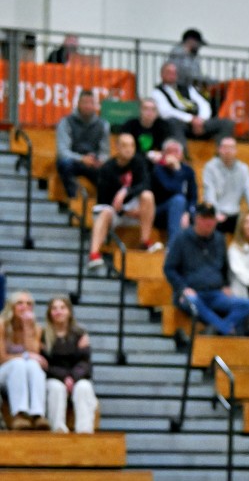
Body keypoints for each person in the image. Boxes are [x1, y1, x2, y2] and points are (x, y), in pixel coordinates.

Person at [163, 203, 249, 337]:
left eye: (211, 219)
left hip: (215, 293)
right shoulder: (182, 238)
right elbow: (169, 268)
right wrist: (182, 288)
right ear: (197, 219)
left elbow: (224, 267)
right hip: (192, 292)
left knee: (246, 304)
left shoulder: (219, 239)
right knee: (193, 302)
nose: (208, 222)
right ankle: (225, 329)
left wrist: (225, 285)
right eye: (204, 218)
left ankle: (216, 329)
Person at [88, 133, 157, 270]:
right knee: (106, 212)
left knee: (148, 196)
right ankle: (94, 254)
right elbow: (103, 202)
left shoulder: (138, 162)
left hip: (131, 208)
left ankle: (145, 242)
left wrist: (125, 192)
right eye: (125, 145)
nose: (129, 149)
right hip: (113, 211)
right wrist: (123, 211)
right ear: (117, 147)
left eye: (132, 145)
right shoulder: (107, 169)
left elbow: (145, 184)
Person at [42, 296, 96, 434]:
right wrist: (64, 377)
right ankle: (58, 429)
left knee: (84, 387)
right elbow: (45, 364)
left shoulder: (80, 334)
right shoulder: (43, 335)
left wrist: (72, 377)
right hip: (53, 377)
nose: (58, 311)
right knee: (56, 388)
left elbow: (85, 363)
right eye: (54, 308)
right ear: (49, 313)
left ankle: (84, 431)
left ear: (69, 312)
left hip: (76, 377)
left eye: (62, 308)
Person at [151, 61, 234, 143]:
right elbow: (166, 112)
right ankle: (182, 154)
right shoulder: (157, 92)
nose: (172, 75)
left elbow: (203, 104)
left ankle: (222, 153)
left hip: (201, 122)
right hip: (182, 124)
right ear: (162, 74)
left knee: (226, 123)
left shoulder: (188, 88)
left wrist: (201, 119)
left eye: (174, 72)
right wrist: (191, 119)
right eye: (169, 72)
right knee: (173, 123)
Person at [0, 293, 49, 430]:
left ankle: (38, 414)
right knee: (19, 363)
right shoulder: (2, 325)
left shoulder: (36, 329)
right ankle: (19, 414)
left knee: (33, 365)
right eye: (20, 303)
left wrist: (27, 328)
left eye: (28, 304)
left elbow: (35, 356)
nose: (25, 307)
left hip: (22, 373)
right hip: (3, 373)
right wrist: (26, 355)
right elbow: (2, 358)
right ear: (12, 306)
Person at [55, 90, 108, 201]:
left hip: (93, 163)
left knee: (109, 171)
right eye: (85, 102)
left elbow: (105, 152)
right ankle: (73, 199)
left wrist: (100, 161)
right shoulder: (66, 122)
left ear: (95, 105)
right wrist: (82, 159)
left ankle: (103, 204)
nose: (88, 106)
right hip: (74, 161)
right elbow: (62, 152)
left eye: (91, 103)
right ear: (78, 103)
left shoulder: (103, 125)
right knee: (64, 163)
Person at [203, 137, 249, 236]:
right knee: (211, 222)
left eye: (231, 148)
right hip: (217, 211)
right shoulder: (210, 167)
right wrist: (215, 213)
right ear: (219, 149)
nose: (228, 151)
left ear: (236, 151)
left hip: (235, 213)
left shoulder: (244, 169)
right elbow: (209, 194)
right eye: (225, 147)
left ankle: (247, 250)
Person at [150, 139, 197, 249]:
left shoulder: (188, 171)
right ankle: (173, 248)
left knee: (204, 214)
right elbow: (172, 189)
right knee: (178, 200)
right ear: (163, 154)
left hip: (181, 211)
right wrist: (177, 170)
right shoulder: (158, 169)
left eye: (176, 152)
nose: (173, 155)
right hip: (159, 212)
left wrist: (187, 213)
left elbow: (193, 196)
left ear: (181, 155)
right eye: (169, 152)